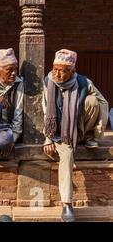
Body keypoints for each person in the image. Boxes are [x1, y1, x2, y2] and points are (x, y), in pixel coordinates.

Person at [42, 49, 108, 222]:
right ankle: (67, 204)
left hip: (79, 128)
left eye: (62, 70)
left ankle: (87, 137)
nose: (56, 73)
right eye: (55, 68)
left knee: (93, 101)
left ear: (73, 71)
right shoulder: (48, 82)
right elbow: (44, 111)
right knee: (68, 154)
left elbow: (103, 103)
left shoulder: (83, 82)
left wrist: (97, 130)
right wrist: (48, 137)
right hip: (59, 134)